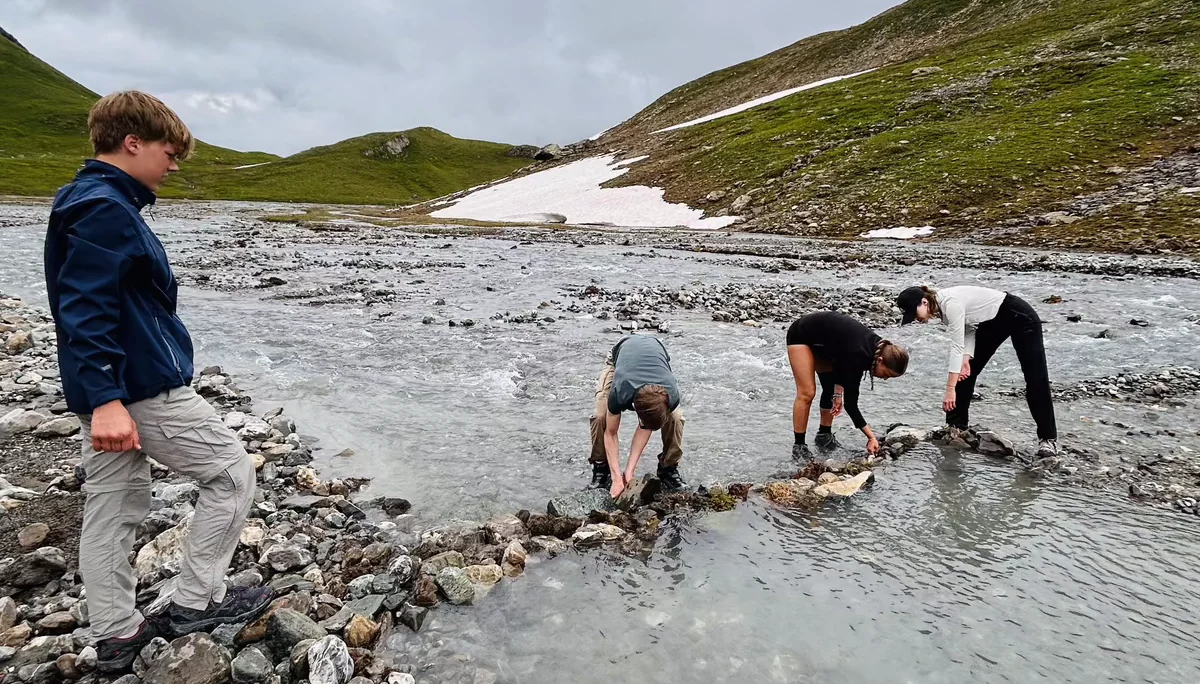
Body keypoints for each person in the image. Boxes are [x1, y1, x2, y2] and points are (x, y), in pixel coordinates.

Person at [44, 92, 273, 673]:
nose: (174, 166)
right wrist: (107, 401)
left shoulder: (86, 199)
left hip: (116, 389)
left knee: (115, 505)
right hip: (139, 389)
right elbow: (84, 310)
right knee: (232, 475)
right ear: (133, 143)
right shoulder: (105, 209)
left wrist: (99, 397)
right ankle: (195, 601)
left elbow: (89, 305)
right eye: (170, 154)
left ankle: (118, 634)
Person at [895, 285, 1058, 461]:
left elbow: (956, 347)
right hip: (992, 321)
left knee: (1036, 378)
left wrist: (950, 389)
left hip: (1019, 315)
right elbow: (969, 328)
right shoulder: (940, 308)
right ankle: (956, 426)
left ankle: (1048, 439)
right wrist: (967, 358)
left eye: (914, 314)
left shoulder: (950, 304)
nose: (915, 320)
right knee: (965, 371)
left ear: (924, 302)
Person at [786, 312, 909, 461]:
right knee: (807, 393)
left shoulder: (873, 352)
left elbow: (843, 367)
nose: (884, 379)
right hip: (803, 335)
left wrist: (838, 392)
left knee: (830, 388)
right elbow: (851, 405)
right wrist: (871, 437)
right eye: (886, 374)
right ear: (881, 360)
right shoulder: (859, 354)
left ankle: (824, 436)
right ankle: (799, 447)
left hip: (829, 345)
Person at [588, 334, 687, 497]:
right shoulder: (621, 390)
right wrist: (617, 478)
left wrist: (629, 470)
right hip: (619, 358)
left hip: (655, 354)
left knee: (676, 418)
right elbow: (610, 433)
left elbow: (646, 425)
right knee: (600, 417)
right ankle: (601, 468)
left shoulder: (672, 395)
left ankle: (668, 468)